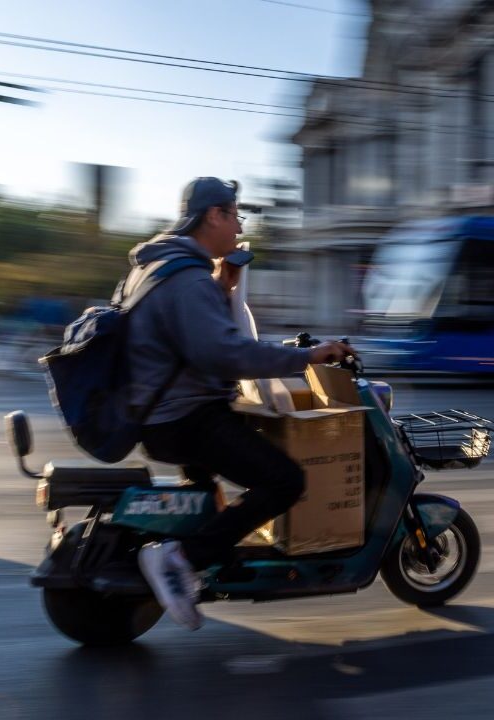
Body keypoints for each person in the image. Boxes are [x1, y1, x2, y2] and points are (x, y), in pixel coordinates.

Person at [127, 177, 355, 630]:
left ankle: (204, 563)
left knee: (224, 479)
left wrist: (224, 287)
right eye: (235, 216)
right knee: (285, 480)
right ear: (215, 215)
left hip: (160, 414)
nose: (237, 227)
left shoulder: (163, 267)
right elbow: (225, 353)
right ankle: (179, 559)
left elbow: (194, 340)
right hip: (184, 417)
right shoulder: (188, 279)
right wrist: (307, 356)